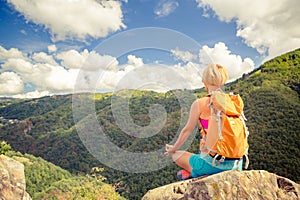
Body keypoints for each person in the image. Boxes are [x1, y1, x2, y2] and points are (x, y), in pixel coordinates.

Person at [165, 63, 243, 180]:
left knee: (176, 155)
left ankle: (195, 173)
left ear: (205, 82)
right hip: (237, 164)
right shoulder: (233, 102)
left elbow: (187, 131)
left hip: (212, 164)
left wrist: (173, 148)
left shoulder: (200, 103)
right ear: (224, 80)